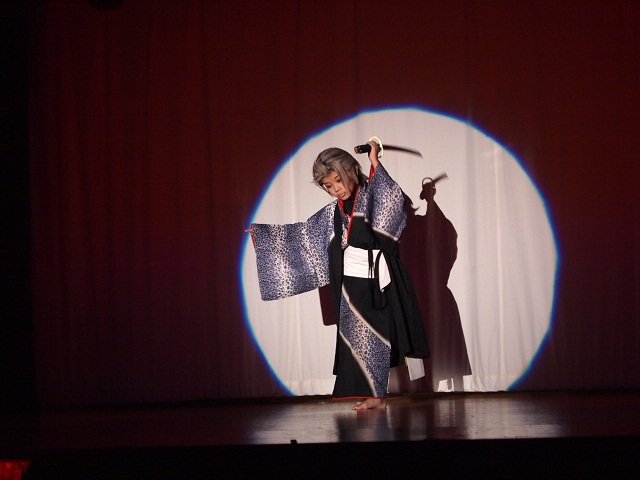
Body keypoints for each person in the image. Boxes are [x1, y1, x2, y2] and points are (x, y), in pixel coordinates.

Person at [248, 140, 429, 410]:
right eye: (329, 186)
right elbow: (305, 236)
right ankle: (373, 396)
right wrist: (265, 237)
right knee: (358, 340)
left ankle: (378, 397)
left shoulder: (371, 195)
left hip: (378, 278)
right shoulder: (334, 211)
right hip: (350, 281)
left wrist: (375, 162)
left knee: (381, 336)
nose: (336, 189)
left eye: (338, 181)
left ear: (354, 170)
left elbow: (389, 202)